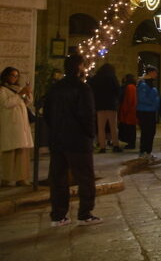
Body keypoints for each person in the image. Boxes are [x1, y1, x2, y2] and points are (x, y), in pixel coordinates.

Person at [44, 54, 101, 226]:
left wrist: (54, 131)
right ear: (79, 67)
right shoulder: (82, 89)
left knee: (58, 179)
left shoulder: (55, 88)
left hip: (58, 140)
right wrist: (90, 135)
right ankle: (85, 213)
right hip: (78, 140)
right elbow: (87, 115)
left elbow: (47, 113)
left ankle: (58, 215)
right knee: (85, 178)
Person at [0, 67, 33, 186]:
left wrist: (28, 94)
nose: (14, 78)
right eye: (12, 75)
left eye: (16, 76)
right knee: (10, 152)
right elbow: (5, 104)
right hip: (10, 124)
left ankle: (21, 178)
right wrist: (20, 94)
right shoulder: (2, 89)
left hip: (21, 124)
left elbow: (26, 103)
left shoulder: (17, 89)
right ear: (6, 76)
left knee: (21, 152)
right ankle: (6, 178)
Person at [88, 63, 122, 153]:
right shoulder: (112, 78)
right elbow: (118, 90)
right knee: (113, 127)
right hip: (111, 105)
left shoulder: (96, 78)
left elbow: (90, 89)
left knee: (101, 127)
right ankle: (115, 145)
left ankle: (102, 146)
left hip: (100, 105)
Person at [136, 66, 159, 159]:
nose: (156, 74)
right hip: (145, 111)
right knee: (146, 132)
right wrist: (154, 102)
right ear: (150, 72)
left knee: (151, 132)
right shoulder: (143, 84)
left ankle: (148, 151)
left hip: (151, 111)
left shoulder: (150, 83)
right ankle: (143, 151)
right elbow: (142, 98)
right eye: (155, 72)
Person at [118, 74, 138, 150]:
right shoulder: (133, 87)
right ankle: (131, 143)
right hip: (131, 111)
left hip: (129, 111)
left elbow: (129, 100)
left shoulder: (130, 87)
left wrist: (124, 110)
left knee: (130, 129)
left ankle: (131, 144)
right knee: (131, 128)